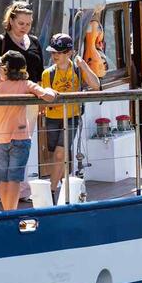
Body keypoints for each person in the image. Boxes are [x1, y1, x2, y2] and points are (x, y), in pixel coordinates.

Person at [0, 51, 56, 211]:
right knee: (15, 179)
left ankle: (6, 211)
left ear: (4, 70)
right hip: (21, 138)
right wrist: (51, 91)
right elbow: (48, 96)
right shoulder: (26, 85)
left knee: (2, 179)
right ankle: (12, 211)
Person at [40, 33, 100, 195]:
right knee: (56, 155)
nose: (54, 56)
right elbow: (47, 100)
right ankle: (65, 188)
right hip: (52, 118)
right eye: (53, 52)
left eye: (58, 53)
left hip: (72, 117)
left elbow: (96, 85)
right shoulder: (47, 74)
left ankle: (51, 191)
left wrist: (84, 66)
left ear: (69, 53)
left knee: (60, 154)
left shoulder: (77, 70)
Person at [0, 1, 44, 89]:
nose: (24, 27)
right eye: (21, 23)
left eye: (28, 24)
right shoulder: (0, 41)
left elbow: (40, 73)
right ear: (11, 21)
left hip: (30, 94)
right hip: (7, 94)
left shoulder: (35, 41)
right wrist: (6, 85)